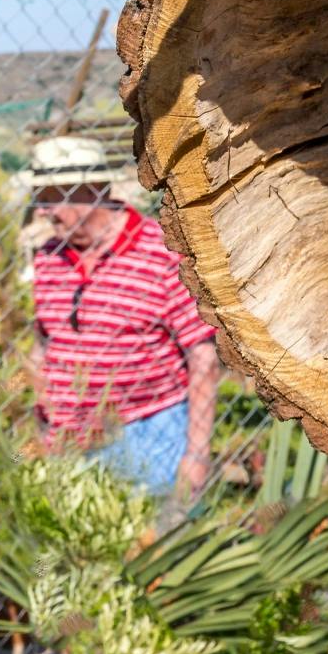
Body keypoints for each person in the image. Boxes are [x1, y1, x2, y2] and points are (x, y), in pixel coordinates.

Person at [21, 137, 219, 493]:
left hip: (149, 435)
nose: (41, 210)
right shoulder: (48, 257)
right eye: (40, 198)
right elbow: (42, 345)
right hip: (66, 442)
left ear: (92, 190)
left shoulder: (158, 251)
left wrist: (196, 454)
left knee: (160, 543)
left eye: (50, 196)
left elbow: (202, 359)